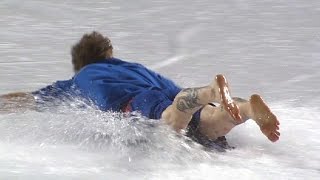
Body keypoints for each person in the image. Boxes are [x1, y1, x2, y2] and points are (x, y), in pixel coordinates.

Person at [0, 31, 280, 148]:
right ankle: (243, 108)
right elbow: (173, 89)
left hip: (136, 103)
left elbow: (28, 99)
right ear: (109, 54)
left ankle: (210, 93)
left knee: (172, 122)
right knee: (209, 120)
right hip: (162, 93)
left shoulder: (77, 81)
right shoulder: (135, 67)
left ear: (81, 61)